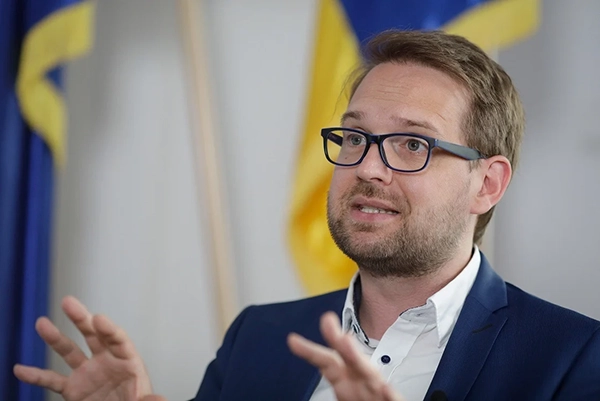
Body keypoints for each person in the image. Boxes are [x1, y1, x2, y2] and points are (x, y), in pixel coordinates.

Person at [14, 30, 600, 401]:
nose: (368, 167)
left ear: (487, 184)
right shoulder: (260, 337)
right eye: (355, 137)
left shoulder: (571, 357)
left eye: (411, 144)